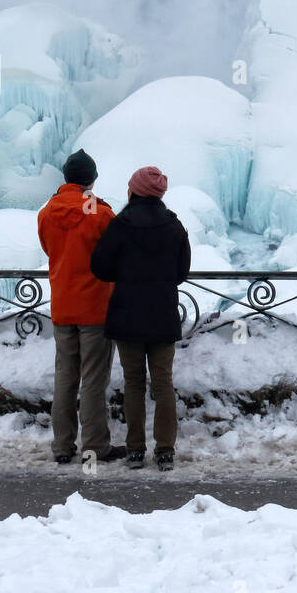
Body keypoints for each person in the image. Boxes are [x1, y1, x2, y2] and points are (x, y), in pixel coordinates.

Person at [90, 166, 192, 472]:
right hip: (162, 315)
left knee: (133, 383)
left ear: (134, 191)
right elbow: (181, 273)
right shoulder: (174, 226)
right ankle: (165, 451)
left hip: (128, 316)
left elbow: (100, 267)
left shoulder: (121, 225)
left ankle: (135, 450)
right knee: (163, 384)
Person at [37, 149, 127, 465]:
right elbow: (118, 253)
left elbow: (49, 249)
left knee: (65, 377)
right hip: (95, 308)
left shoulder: (47, 212)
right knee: (93, 380)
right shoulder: (100, 214)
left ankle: (62, 446)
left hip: (62, 306)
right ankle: (95, 446)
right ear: (92, 179)